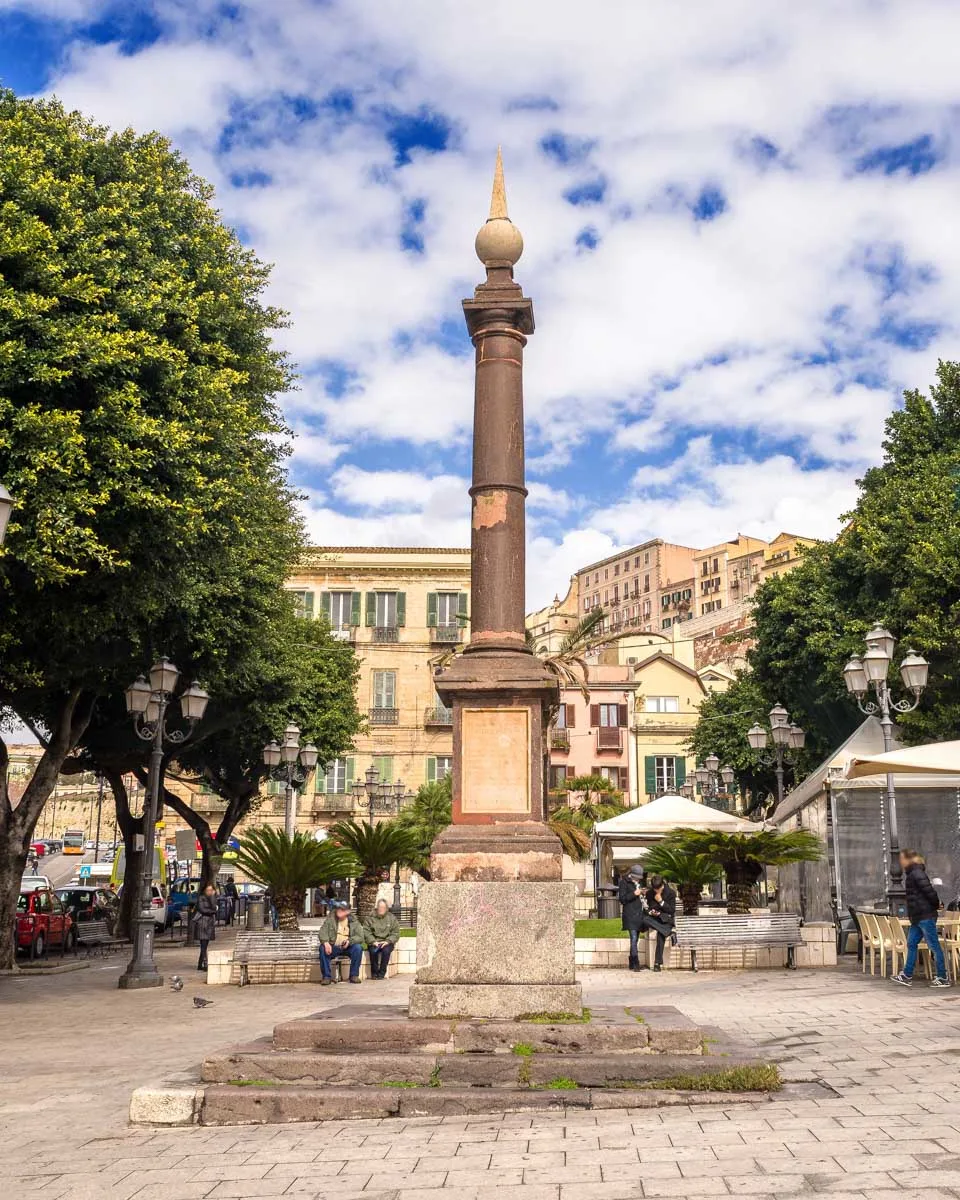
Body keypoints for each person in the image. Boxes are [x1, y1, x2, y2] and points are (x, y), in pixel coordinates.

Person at [892, 850, 949, 988]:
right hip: (918, 917)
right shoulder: (912, 874)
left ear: (909, 859)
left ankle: (942, 977)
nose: (900, 862)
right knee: (911, 943)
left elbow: (929, 891)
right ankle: (907, 975)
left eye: (902, 858)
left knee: (933, 946)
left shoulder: (917, 873)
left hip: (925, 916)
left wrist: (937, 904)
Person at [317, 899, 365, 985]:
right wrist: (325, 942)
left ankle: (354, 975)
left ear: (348, 911)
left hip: (347, 947)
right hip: (333, 947)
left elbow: (360, 936)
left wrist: (350, 941)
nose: (340, 911)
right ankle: (326, 977)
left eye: (343, 909)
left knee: (358, 948)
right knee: (322, 948)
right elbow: (322, 932)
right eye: (339, 908)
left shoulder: (354, 921)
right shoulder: (331, 919)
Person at [643, 875, 677, 973]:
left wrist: (661, 902)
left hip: (666, 919)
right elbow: (650, 906)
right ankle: (670, 933)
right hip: (655, 919)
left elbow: (671, 910)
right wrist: (652, 912)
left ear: (662, 885)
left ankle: (657, 963)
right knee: (644, 919)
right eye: (654, 889)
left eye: (658, 889)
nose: (656, 891)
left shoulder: (671, 893)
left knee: (660, 935)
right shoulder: (650, 893)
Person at [618, 864, 647, 971]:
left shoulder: (639, 883)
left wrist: (642, 893)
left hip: (639, 915)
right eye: (636, 878)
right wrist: (634, 893)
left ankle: (631, 961)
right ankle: (636, 963)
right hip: (630, 915)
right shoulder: (624, 882)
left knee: (636, 939)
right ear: (632, 875)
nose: (638, 880)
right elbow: (622, 899)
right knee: (633, 938)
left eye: (639, 878)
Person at [364, 898, 400, 979]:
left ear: (386, 908)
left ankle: (382, 973)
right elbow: (366, 932)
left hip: (387, 942)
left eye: (383, 907)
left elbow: (396, 933)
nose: (381, 909)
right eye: (380, 907)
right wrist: (373, 941)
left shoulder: (392, 918)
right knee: (373, 951)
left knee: (386, 951)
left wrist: (388, 941)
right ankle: (374, 973)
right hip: (374, 941)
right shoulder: (370, 918)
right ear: (377, 907)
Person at [194, 883, 217, 972]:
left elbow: (214, 907)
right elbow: (202, 909)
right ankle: (205, 962)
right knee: (203, 944)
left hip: (209, 923)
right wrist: (212, 911)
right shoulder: (201, 898)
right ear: (204, 890)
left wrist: (212, 897)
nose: (209, 892)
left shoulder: (212, 898)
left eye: (211, 890)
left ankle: (200, 964)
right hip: (202, 923)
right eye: (208, 890)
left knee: (205, 944)